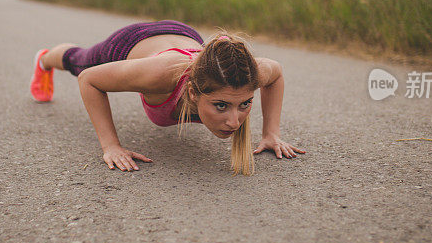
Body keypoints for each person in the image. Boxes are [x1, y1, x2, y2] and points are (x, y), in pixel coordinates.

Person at [29, 19, 304, 175]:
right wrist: (111, 145)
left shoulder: (249, 73)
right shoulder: (160, 74)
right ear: (194, 92)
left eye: (244, 105)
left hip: (185, 35)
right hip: (134, 41)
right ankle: (44, 60)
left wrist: (271, 133)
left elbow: (276, 74)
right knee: (80, 62)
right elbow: (89, 81)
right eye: (221, 106)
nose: (235, 121)